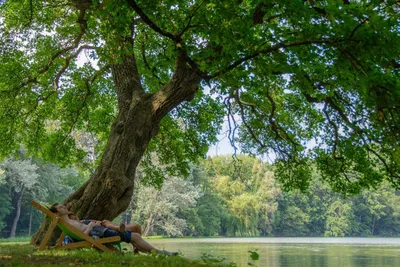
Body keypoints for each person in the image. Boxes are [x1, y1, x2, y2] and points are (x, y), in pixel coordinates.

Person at [50, 203, 177, 255]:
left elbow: (81, 228)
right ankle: (160, 253)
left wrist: (88, 222)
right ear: (57, 213)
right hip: (97, 232)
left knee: (134, 236)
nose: (64, 207)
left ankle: (158, 252)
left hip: (98, 229)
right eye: (61, 207)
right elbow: (84, 235)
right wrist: (90, 226)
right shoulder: (67, 224)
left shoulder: (70, 221)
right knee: (135, 236)